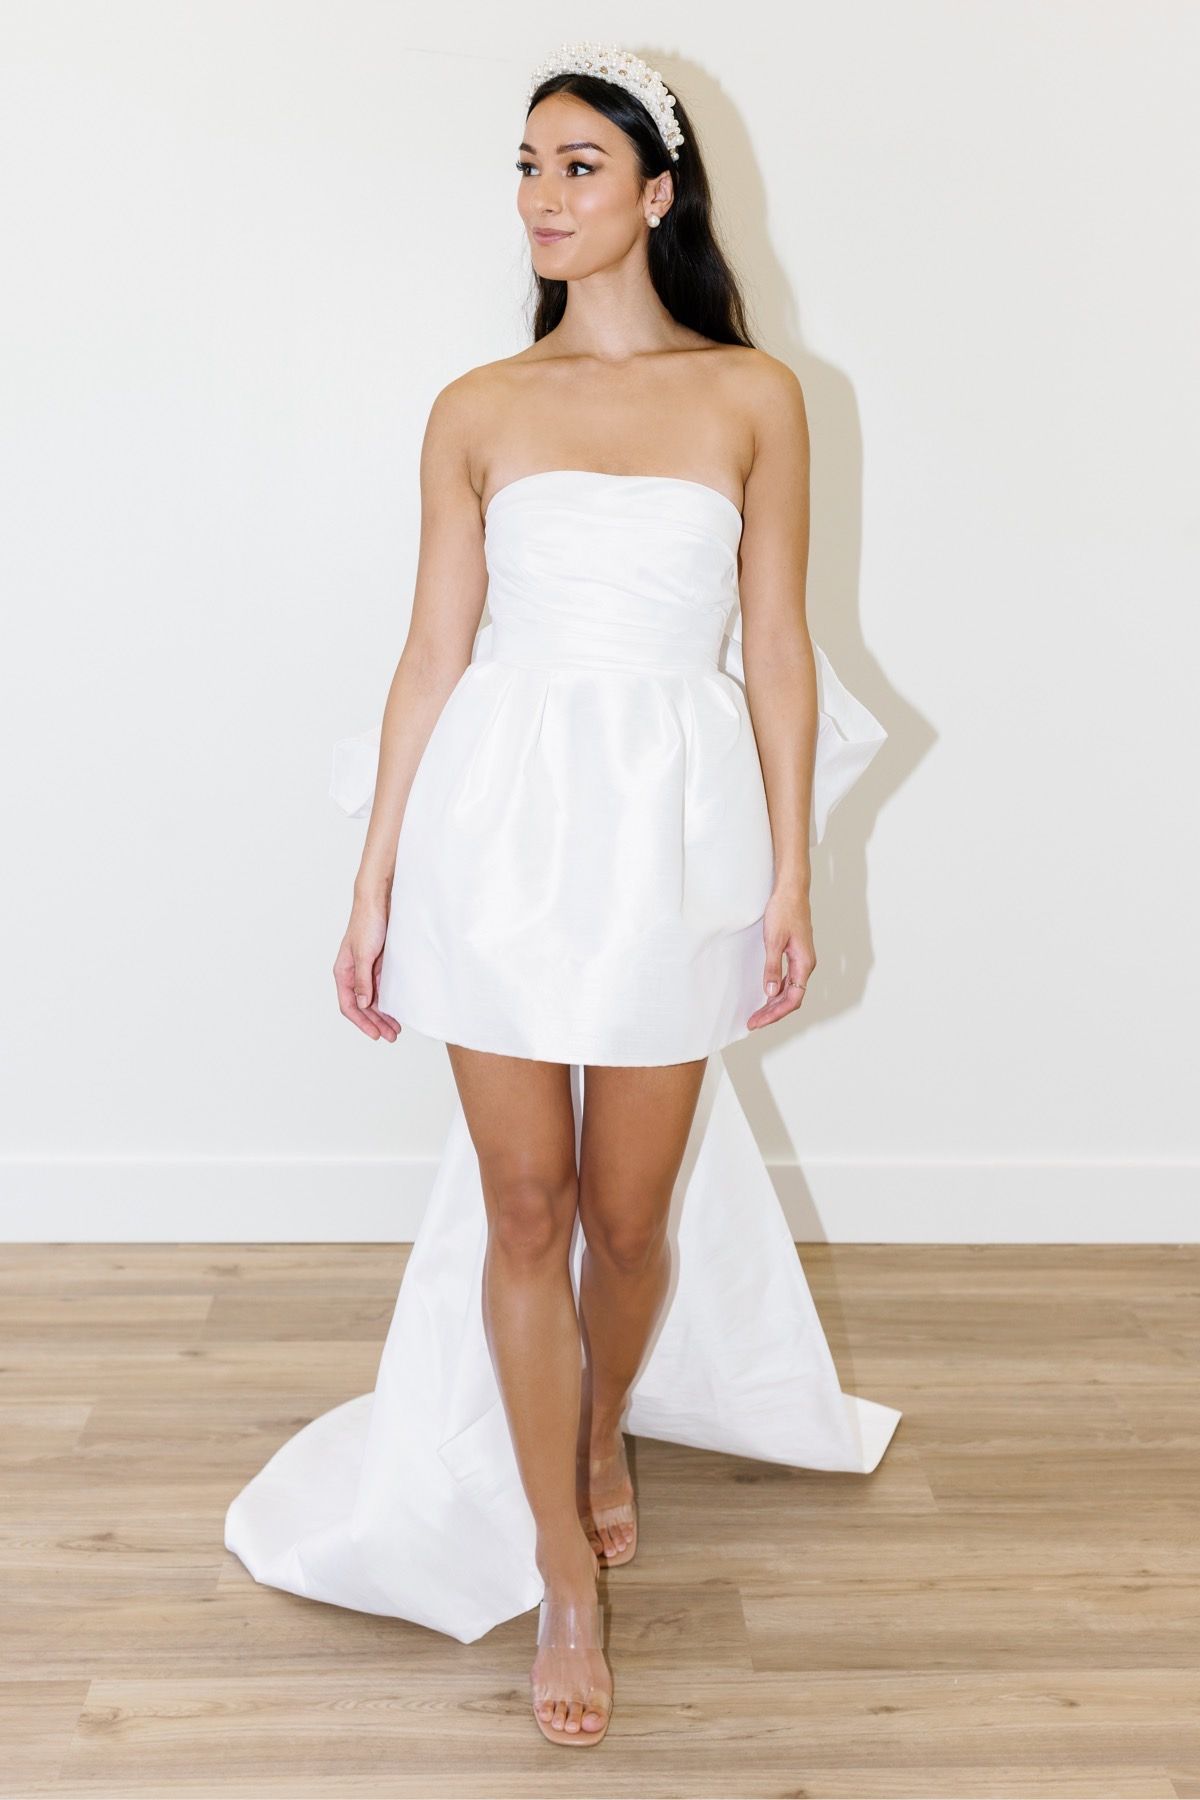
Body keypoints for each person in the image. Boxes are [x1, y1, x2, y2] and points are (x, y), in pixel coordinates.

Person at [225, 41, 899, 1752]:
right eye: (526, 166)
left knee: (626, 1218)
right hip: (497, 836)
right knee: (524, 1212)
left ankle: (601, 1432)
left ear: (658, 193)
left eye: (581, 166)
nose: (543, 196)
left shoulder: (753, 395)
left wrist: (792, 871)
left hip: (673, 841)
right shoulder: (479, 407)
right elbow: (433, 652)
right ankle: (561, 1568)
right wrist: (372, 876)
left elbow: (774, 649)